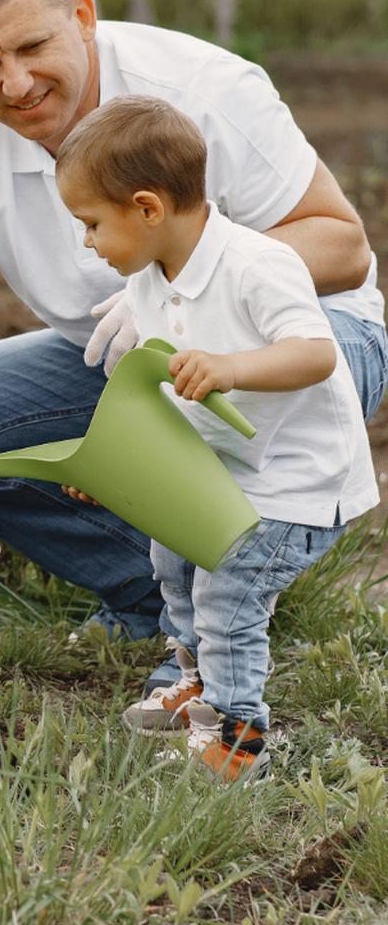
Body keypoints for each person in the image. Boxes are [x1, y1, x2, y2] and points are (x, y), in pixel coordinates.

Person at [0, 0, 386, 691]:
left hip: (303, 338)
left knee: (202, 411)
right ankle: (158, 593)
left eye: (32, 47)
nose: (14, 83)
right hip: (124, 362)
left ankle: (224, 624)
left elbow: (341, 244)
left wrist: (178, 291)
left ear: (83, 15)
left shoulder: (204, 92)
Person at [53, 96, 378, 780]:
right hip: (226, 467)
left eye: (90, 224)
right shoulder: (150, 278)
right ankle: (197, 681)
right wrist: (109, 463)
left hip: (297, 482)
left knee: (228, 592)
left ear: (147, 209)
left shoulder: (258, 266)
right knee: (172, 555)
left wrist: (232, 368)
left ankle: (238, 735)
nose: (86, 241)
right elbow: (149, 387)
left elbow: (316, 354)